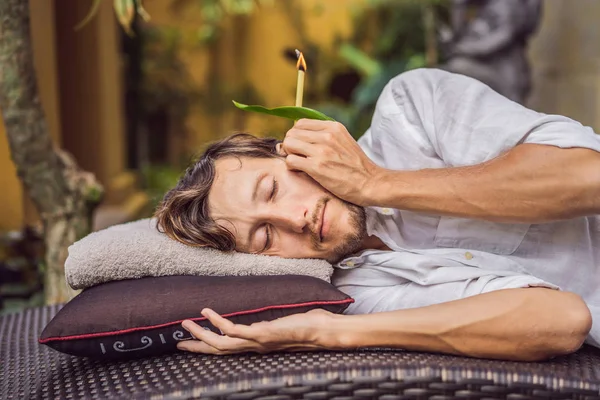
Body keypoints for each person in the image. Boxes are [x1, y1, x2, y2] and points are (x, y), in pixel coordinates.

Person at [155, 68, 600, 361]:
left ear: (292, 151)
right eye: (266, 237)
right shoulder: (357, 291)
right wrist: (329, 333)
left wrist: (375, 182)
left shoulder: (409, 111)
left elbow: (591, 178)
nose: (296, 219)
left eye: (273, 189)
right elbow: (561, 321)